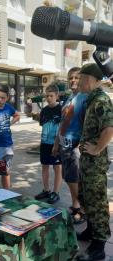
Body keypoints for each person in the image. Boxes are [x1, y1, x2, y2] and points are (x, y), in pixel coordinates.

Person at [76, 63, 113, 261]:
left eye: (83, 78)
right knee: (86, 197)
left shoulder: (101, 101)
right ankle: (91, 230)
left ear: (96, 80)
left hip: (95, 163)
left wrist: (96, 149)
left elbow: (109, 129)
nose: (79, 81)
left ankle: (98, 246)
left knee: (97, 202)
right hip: (87, 162)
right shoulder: (91, 100)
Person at [53, 67, 87, 223]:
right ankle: (75, 204)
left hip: (75, 147)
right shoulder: (69, 99)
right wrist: (56, 144)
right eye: (70, 78)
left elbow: (87, 124)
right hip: (64, 145)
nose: (73, 80)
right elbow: (62, 123)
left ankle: (81, 209)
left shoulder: (84, 98)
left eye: (76, 77)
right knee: (69, 178)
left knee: (75, 179)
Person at [35, 84, 62, 204]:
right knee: (44, 166)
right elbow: (42, 124)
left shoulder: (62, 109)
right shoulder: (44, 110)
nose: (49, 98)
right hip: (44, 143)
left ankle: (56, 192)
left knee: (57, 168)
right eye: (47, 96)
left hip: (56, 144)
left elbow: (64, 128)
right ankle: (46, 190)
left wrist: (58, 144)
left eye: (51, 95)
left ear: (57, 96)